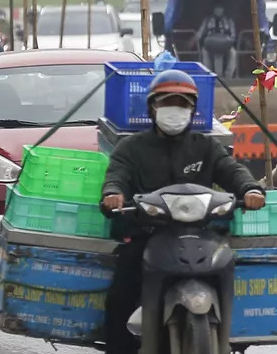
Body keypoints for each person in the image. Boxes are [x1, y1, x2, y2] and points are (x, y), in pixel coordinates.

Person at [100, 71, 265, 354]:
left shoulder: (206, 146)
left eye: (183, 103)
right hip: (148, 235)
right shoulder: (132, 148)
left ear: (192, 109)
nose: (175, 110)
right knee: (120, 294)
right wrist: (112, 195)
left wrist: (250, 189)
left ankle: (230, 335)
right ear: (152, 108)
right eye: (168, 102)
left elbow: (232, 170)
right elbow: (117, 175)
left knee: (231, 267)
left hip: (200, 233)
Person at [198, 2, 237, 76]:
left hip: (225, 45)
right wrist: (194, 40)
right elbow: (200, 34)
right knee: (204, 53)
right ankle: (208, 74)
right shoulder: (207, 20)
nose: (218, 10)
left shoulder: (229, 21)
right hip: (209, 45)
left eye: (220, 7)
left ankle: (228, 76)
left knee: (233, 53)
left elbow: (233, 35)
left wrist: (229, 42)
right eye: (217, 7)